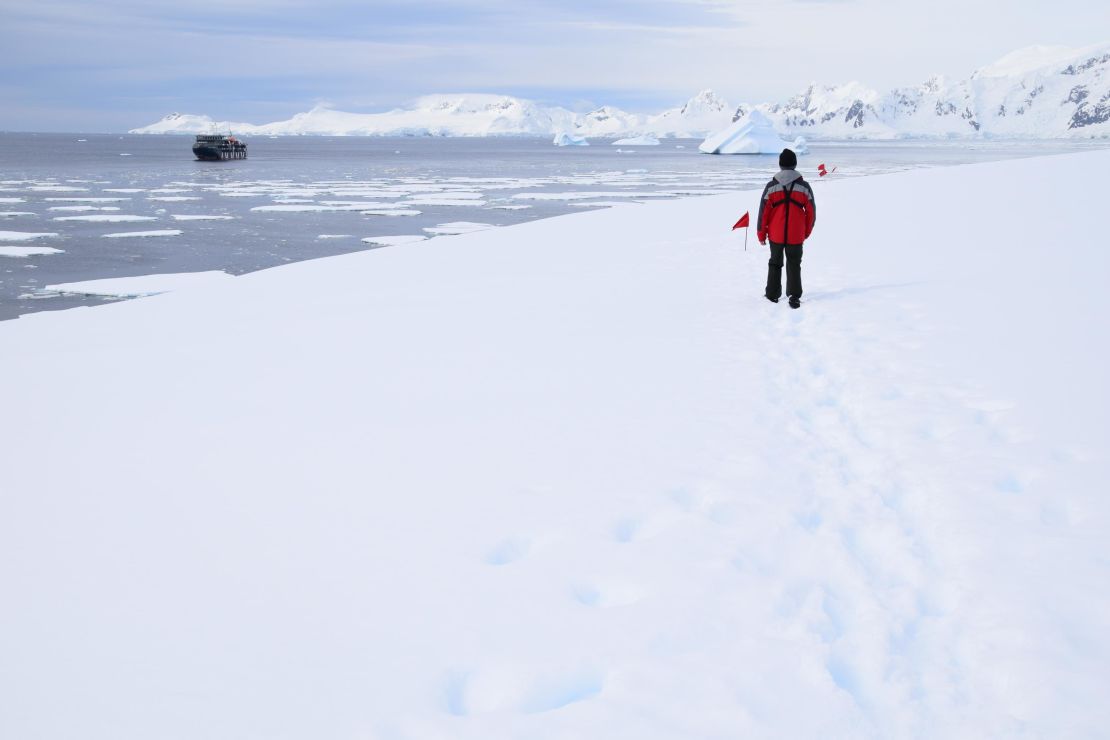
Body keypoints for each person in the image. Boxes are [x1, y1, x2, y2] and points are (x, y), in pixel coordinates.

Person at [757, 148, 816, 308]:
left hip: (775, 235)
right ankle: (794, 295)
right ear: (795, 164)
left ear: (780, 165)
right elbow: (811, 212)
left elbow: (763, 213)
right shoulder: (804, 186)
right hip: (796, 235)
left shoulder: (771, 186)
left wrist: (761, 234)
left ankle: (772, 295)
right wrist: (806, 232)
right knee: (794, 264)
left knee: (775, 263)